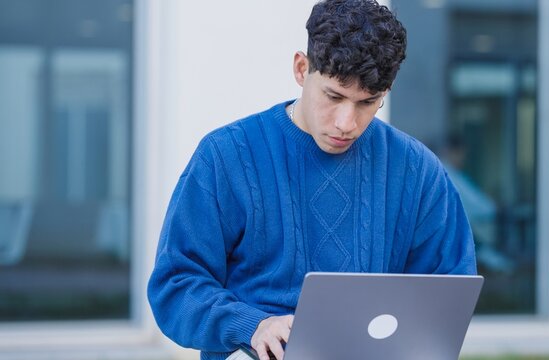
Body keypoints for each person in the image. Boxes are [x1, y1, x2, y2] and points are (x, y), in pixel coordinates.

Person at [147, 1, 477, 359]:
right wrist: (252, 325)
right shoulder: (226, 157)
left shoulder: (418, 172)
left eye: (368, 102)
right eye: (333, 96)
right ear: (302, 69)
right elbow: (175, 285)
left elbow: (448, 296)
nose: (346, 122)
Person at [440, 134, 513, 273]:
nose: (463, 159)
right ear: (453, 152)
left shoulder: (453, 173)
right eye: (461, 154)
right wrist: (493, 207)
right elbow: (477, 206)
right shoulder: (448, 173)